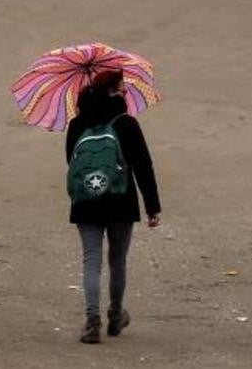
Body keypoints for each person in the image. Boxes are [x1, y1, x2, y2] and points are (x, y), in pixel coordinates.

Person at [65, 71, 161, 344]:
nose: (125, 93)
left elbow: (72, 163)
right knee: (117, 260)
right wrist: (152, 206)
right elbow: (144, 166)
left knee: (91, 261)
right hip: (122, 200)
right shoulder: (127, 123)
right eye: (122, 89)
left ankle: (92, 319)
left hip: (86, 201)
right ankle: (116, 315)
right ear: (111, 91)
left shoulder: (77, 125)